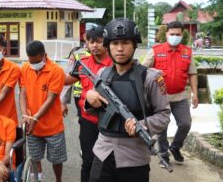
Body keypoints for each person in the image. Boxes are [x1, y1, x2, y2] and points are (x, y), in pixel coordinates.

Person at [85, 18, 171, 182]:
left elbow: (164, 115)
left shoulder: (151, 78)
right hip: (103, 153)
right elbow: (96, 108)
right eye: (114, 43)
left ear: (134, 45)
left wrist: (143, 125)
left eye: (125, 42)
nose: (120, 48)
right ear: (108, 46)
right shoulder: (103, 74)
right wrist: (90, 98)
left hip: (134, 157)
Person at [142, 21, 198, 167]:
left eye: (177, 34)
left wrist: (195, 94)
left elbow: (192, 73)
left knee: (186, 124)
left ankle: (175, 147)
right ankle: (163, 154)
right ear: (166, 34)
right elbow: (142, 71)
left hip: (180, 97)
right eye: (172, 34)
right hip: (160, 98)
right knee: (162, 128)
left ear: (182, 35)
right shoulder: (155, 50)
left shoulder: (187, 52)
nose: (174, 36)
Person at [63, 25, 112, 182]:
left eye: (98, 41)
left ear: (106, 42)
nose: (94, 45)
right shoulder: (83, 63)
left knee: (109, 163)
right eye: (91, 42)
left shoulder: (115, 64)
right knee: (88, 161)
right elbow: (66, 80)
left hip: (111, 123)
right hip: (88, 122)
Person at [19, 40, 67, 182]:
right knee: (35, 157)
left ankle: (58, 179)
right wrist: (25, 115)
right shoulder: (25, 68)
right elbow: (22, 94)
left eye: (37, 61)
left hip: (53, 126)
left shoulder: (56, 71)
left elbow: (51, 99)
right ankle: (38, 179)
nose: (34, 65)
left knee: (57, 159)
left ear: (44, 55)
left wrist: (35, 118)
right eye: (31, 61)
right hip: (33, 126)